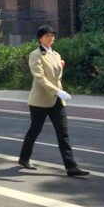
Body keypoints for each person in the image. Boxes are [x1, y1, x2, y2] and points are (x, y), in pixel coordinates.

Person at [18, 25, 89, 176]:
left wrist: (59, 88)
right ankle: (24, 158)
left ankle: (71, 167)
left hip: (57, 101)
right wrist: (57, 91)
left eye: (52, 35)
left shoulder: (56, 55)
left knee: (63, 133)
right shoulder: (35, 55)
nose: (51, 38)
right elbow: (40, 78)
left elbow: (55, 75)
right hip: (40, 101)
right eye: (47, 35)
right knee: (35, 130)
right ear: (40, 38)